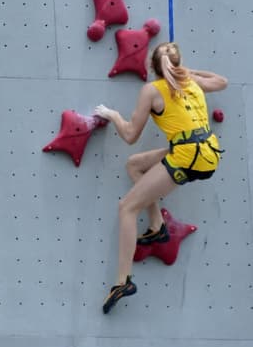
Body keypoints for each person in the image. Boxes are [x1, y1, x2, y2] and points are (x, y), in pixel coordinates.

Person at [94, 42, 227, 314]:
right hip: (206, 152)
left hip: (187, 157)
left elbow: (130, 135)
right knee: (135, 165)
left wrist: (113, 115)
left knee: (127, 208)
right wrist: (185, 72)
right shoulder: (191, 81)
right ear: (177, 63)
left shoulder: (152, 91)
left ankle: (123, 281)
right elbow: (221, 81)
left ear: (151, 66)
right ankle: (157, 225)